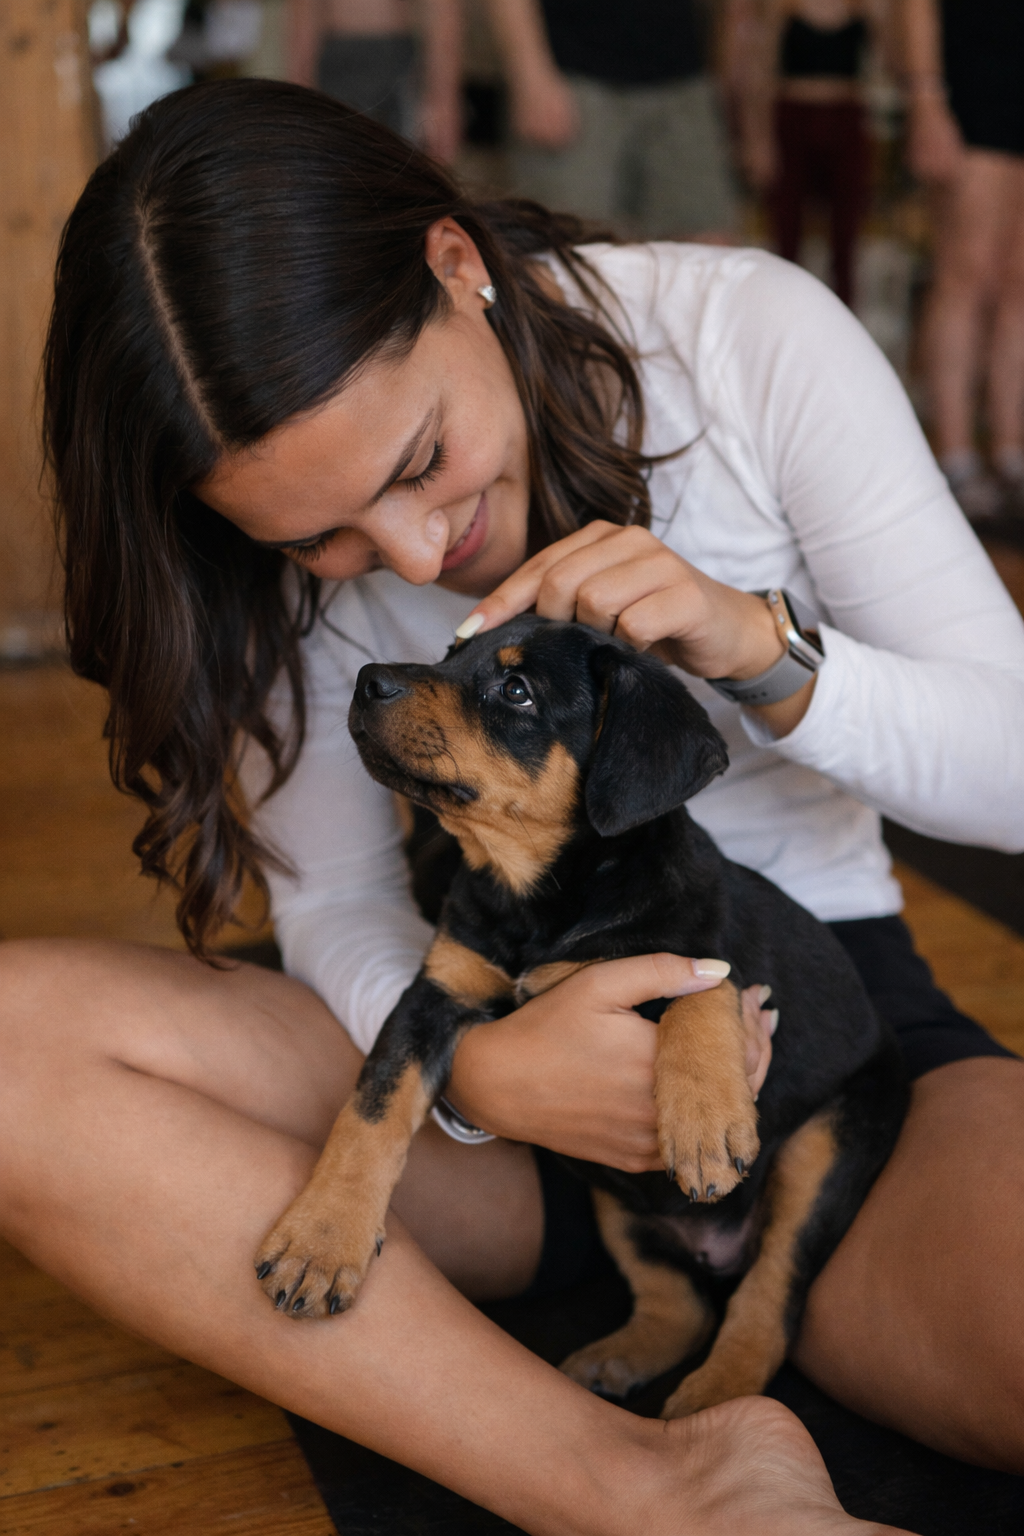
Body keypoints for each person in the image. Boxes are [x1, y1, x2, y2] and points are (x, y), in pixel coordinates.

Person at [4, 77, 1024, 1536]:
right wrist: (479, 1086)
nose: (413, 553)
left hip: (807, 1050)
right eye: (323, 542)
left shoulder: (744, 341)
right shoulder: (264, 558)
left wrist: (765, 650)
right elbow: (345, 904)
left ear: (457, 264)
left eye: (417, 464)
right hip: (477, 1034)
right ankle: (639, 1486)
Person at [902, 0, 1024, 520]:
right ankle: (953, 456)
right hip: (973, 82)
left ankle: (1010, 450)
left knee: (1019, 283)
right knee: (965, 274)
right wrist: (926, 99)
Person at [485, 0, 739, 242]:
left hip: (682, 74)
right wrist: (530, 75)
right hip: (574, 77)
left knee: (705, 245)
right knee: (570, 248)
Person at [728, 0, 889, 309]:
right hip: (792, 119)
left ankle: (844, 327)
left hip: (847, 118)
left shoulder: (863, 7)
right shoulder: (780, 7)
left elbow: (890, 63)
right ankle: (782, 318)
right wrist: (758, 138)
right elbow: (762, 68)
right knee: (786, 238)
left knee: (847, 244)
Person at [287, 0, 462, 162]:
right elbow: (304, 13)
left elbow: (443, 10)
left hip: (392, 64)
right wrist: (298, 96)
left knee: (398, 175)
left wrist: (443, 97)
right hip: (333, 64)